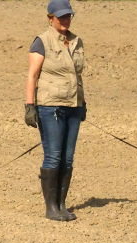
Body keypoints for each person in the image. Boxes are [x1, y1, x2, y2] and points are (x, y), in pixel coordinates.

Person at [25, 0, 86, 221]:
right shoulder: (41, 42)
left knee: (68, 159)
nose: (65, 20)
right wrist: (30, 106)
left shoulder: (77, 42)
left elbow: (77, 76)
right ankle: (51, 208)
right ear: (50, 18)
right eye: (61, 17)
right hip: (50, 106)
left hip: (73, 106)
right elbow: (32, 75)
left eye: (68, 15)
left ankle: (61, 205)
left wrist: (83, 102)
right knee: (53, 157)